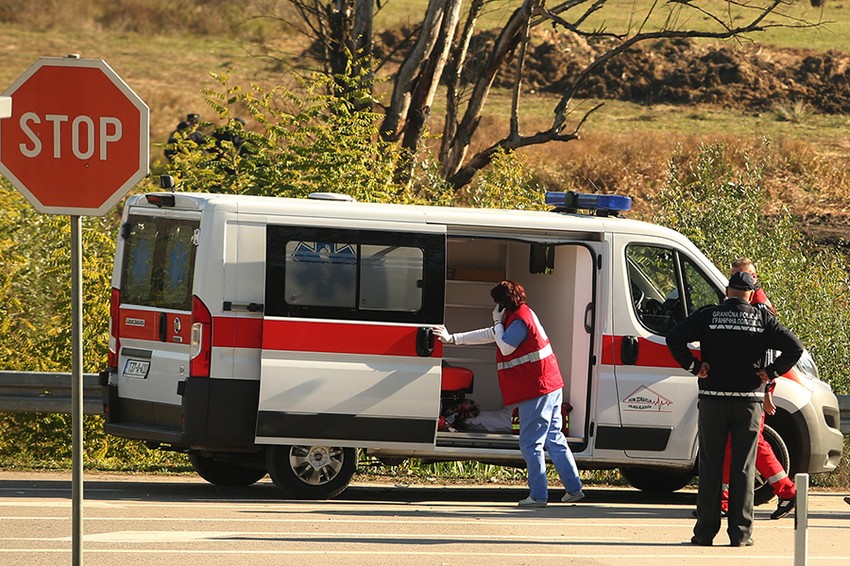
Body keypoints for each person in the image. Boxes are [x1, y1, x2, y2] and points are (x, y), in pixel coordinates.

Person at [666, 271, 803, 547]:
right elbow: (795, 348)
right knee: (743, 467)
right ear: (751, 295)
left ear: (728, 291)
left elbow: (674, 339)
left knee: (710, 466)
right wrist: (771, 371)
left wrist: (695, 366)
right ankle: (740, 534)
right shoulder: (762, 319)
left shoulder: (709, 315)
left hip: (713, 400)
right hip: (748, 402)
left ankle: (704, 533)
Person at [434, 280, 584, 507]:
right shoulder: (522, 315)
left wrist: (496, 321)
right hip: (551, 385)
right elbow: (492, 334)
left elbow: (505, 346)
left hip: (537, 389)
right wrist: (453, 338)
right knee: (554, 438)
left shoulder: (519, 321)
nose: (495, 308)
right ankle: (574, 489)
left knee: (530, 443)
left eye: (497, 303)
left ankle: (538, 496)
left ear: (503, 304)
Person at [718, 258, 797, 521]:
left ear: (755, 278)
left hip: (754, 388)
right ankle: (785, 491)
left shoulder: (761, 307)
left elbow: (770, 350)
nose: (740, 283)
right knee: (750, 441)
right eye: (735, 277)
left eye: (744, 277)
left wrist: (766, 387)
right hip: (746, 388)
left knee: (751, 441)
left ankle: (786, 491)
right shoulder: (749, 304)